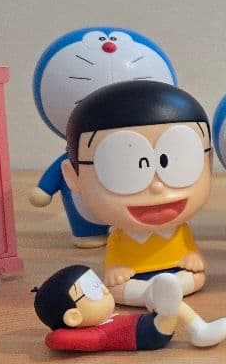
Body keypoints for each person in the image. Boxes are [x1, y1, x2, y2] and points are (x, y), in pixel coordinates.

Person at [62, 80, 213, 306]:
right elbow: (115, 263)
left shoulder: (181, 232)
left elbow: (189, 252)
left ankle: (160, 293)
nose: (156, 187)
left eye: (176, 162)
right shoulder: (119, 238)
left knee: (194, 277)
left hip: (177, 271)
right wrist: (116, 269)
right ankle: (151, 295)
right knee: (116, 289)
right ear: (73, 177)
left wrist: (192, 257)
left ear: (209, 162)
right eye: (127, 169)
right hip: (134, 278)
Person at [34, 264, 226, 352]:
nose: (105, 291)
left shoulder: (101, 320)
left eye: (99, 284)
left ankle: (198, 328)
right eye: (93, 291)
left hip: (143, 322)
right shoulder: (97, 335)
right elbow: (56, 340)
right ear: (74, 317)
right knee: (169, 308)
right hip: (147, 336)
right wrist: (57, 335)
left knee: (168, 304)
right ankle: (194, 326)